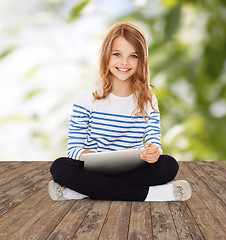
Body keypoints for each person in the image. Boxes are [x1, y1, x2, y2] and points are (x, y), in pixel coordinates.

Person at [49, 22, 192, 202]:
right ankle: (150, 194)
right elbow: (74, 149)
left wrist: (153, 151)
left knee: (168, 165)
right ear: (106, 57)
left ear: (142, 60)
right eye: (117, 54)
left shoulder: (148, 100)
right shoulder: (86, 98)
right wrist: (95, 158)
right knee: (60, 167)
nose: (124, 62)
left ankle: (81, 191)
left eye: (133, 56)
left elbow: (154, 141)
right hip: (93, 168)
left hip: (131, 169)